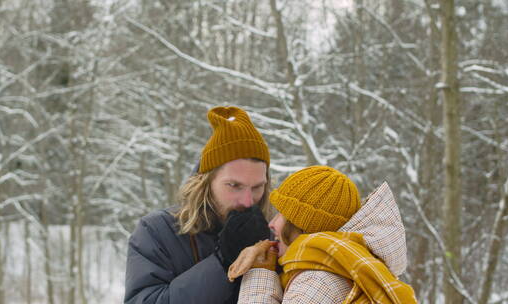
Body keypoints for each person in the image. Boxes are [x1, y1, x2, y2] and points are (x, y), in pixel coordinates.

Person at [124, 106, 272, 304]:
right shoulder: (157, 231)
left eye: (256, 187)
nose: (247, 201)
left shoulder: (274, 232)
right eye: (234, 185)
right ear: (206, 182)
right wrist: (222, 261)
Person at [229, 166, 417, 303]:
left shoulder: (318, 283)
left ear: (302, 224)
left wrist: (259, 274)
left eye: (281, 214)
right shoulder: (344, 269)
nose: (271, 223)